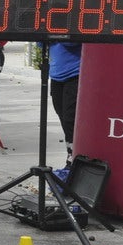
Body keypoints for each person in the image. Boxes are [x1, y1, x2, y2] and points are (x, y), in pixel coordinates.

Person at [48, 42, 80, 170]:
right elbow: (41, 43)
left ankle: (73, 158)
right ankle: (71, 152)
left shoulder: (62, 29)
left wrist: (55, 35)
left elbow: (70, 41)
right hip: (56, 75)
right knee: (62, 115)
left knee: (70, 118)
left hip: (75, 73)